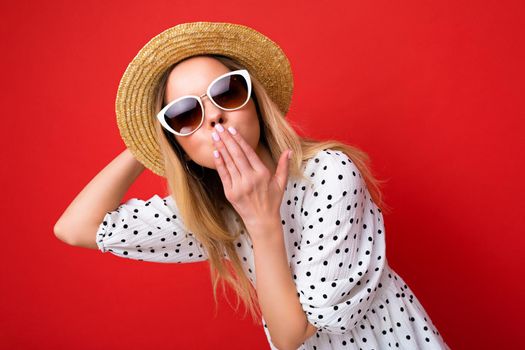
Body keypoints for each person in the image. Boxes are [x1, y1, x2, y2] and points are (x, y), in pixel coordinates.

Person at [54, 22, 451, 350]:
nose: (213, 118)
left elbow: (292, 334)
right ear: (178, 143)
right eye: (186, 112)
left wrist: (262, 223)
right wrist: (150, 138)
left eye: (226, 92)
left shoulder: (329, 174)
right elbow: (75, 228)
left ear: (255, 103)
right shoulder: (211, 210)